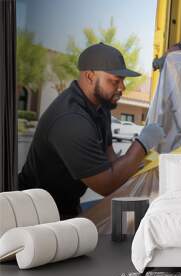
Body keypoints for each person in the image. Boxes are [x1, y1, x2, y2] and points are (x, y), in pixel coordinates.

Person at [18, 43, 165, 219]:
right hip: (32, 213)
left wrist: (139, 165)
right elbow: (107, 185)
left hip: (67, 206)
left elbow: (110, 160)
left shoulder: (100, 109)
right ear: (89, 76)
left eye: (122, 81)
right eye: (115, 80)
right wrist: (143, 144)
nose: (122, 88)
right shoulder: (70, 120)